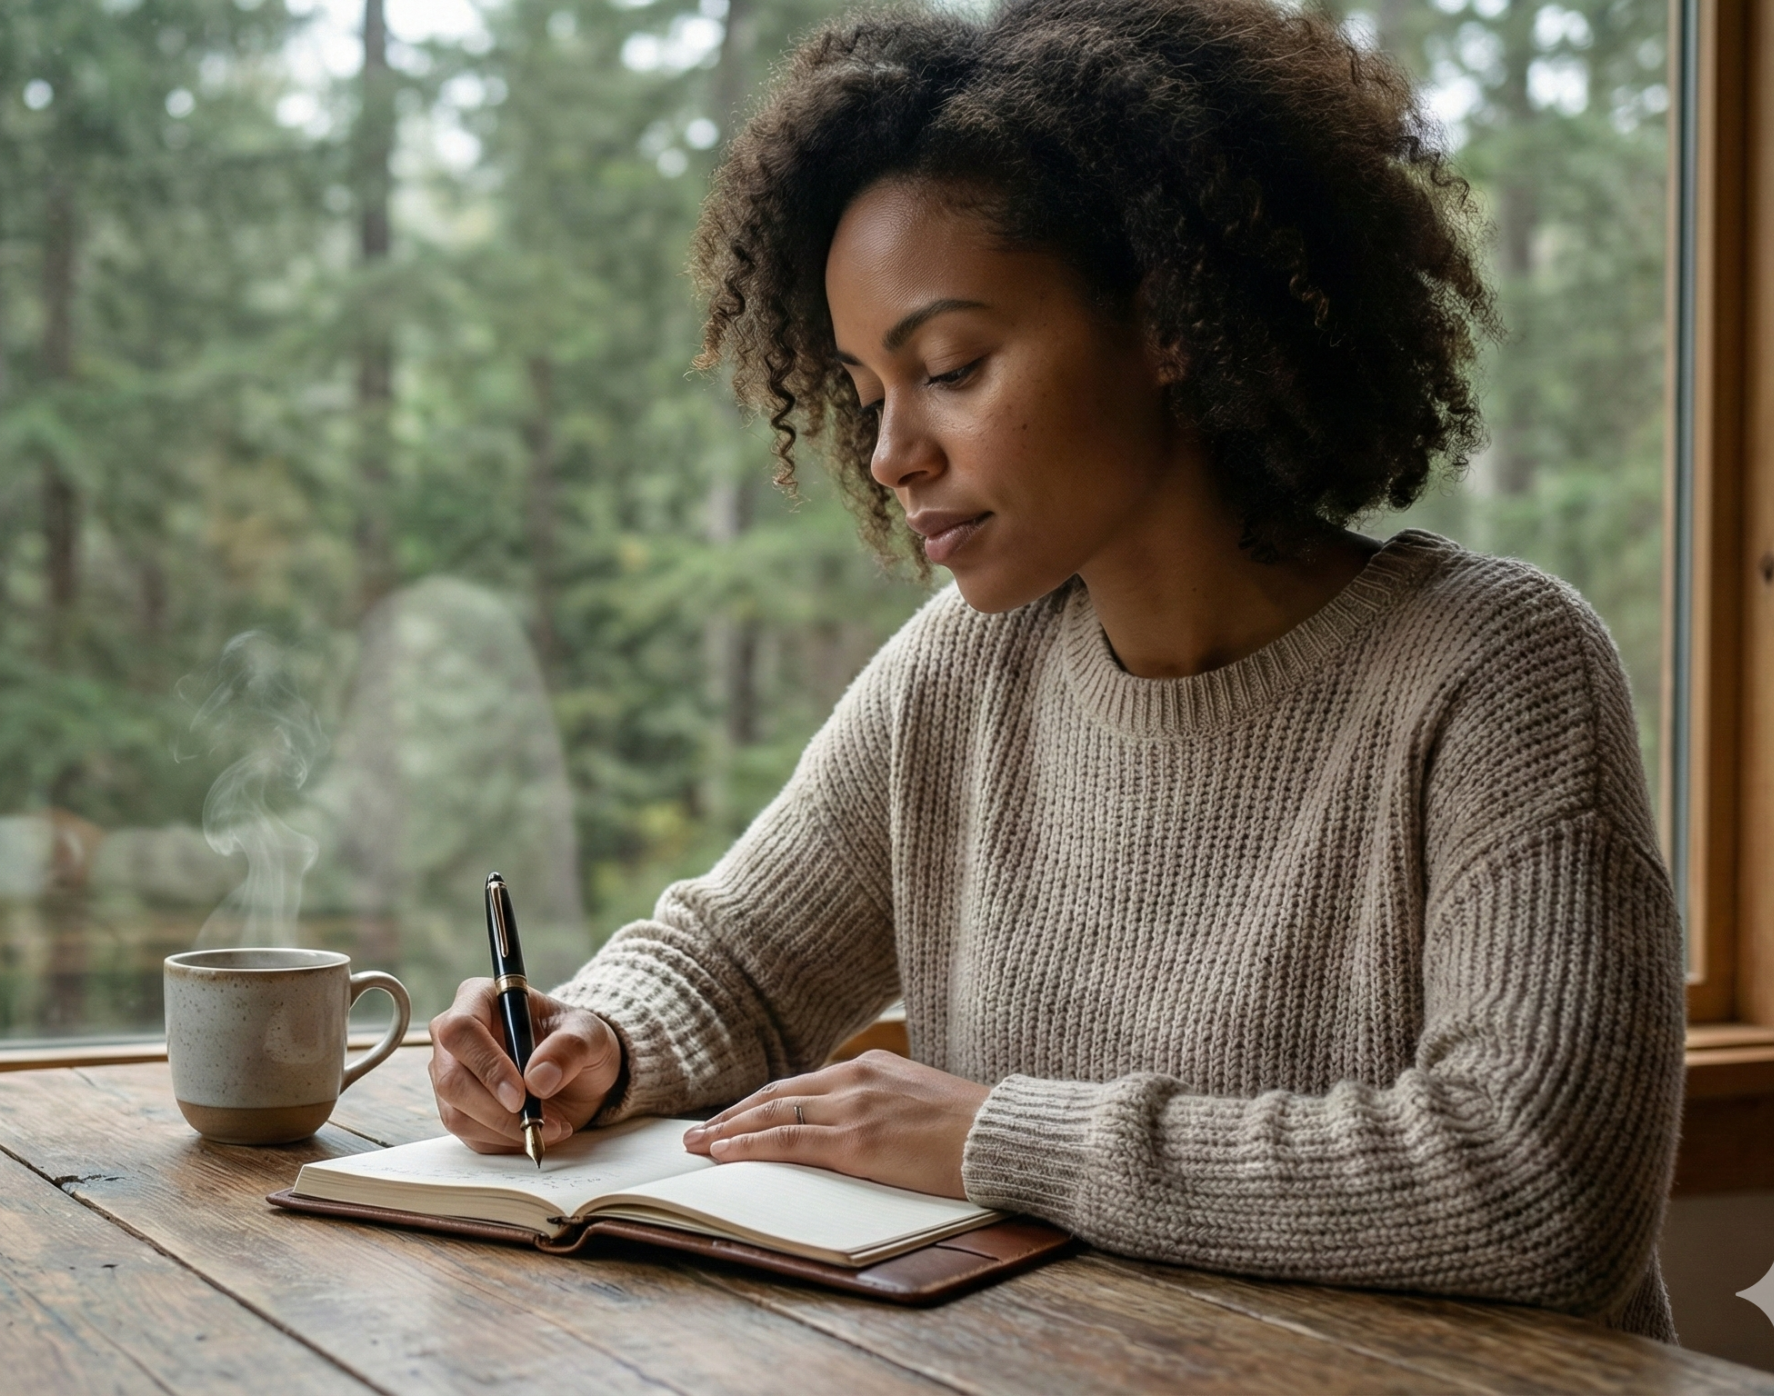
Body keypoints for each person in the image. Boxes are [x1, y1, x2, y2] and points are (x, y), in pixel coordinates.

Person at [426, 0, 1682, 1340]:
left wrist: (998, 1138)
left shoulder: (1493, 670)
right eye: (864, 394)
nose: (893, 452)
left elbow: (1537, 1184)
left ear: (1170, 322)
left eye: (951, 367)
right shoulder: (963, 675)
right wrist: (591, 1045)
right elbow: (732, 964)